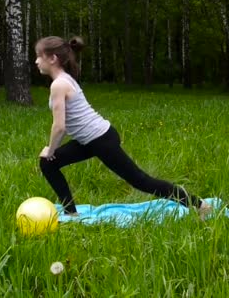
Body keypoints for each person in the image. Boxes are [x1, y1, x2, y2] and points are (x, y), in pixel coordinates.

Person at [36, 36, 212, 219]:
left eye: (39, 56)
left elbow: (59, 126)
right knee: (49, 164)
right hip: (90, 140)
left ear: (52, 58)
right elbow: (63, 125)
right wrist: (52, 152)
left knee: (141, 181)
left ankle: (198, 204)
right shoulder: (64, 80)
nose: (36, 61)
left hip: (101, 140)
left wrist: (50, 150)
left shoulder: (59, 84)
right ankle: (71, 213)